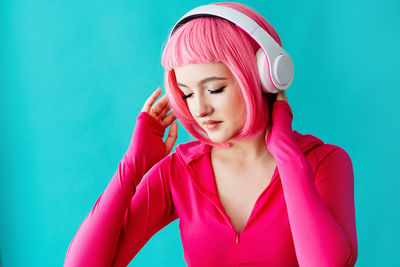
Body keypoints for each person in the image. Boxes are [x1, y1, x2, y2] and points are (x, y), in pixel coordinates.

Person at [64, 2, 358, 266]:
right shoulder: (179, 172)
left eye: (214, 89)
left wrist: (287, 156)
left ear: (263, 77)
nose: (199, 110)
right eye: (187, 94)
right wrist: (131, 168)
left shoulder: (325, 162)